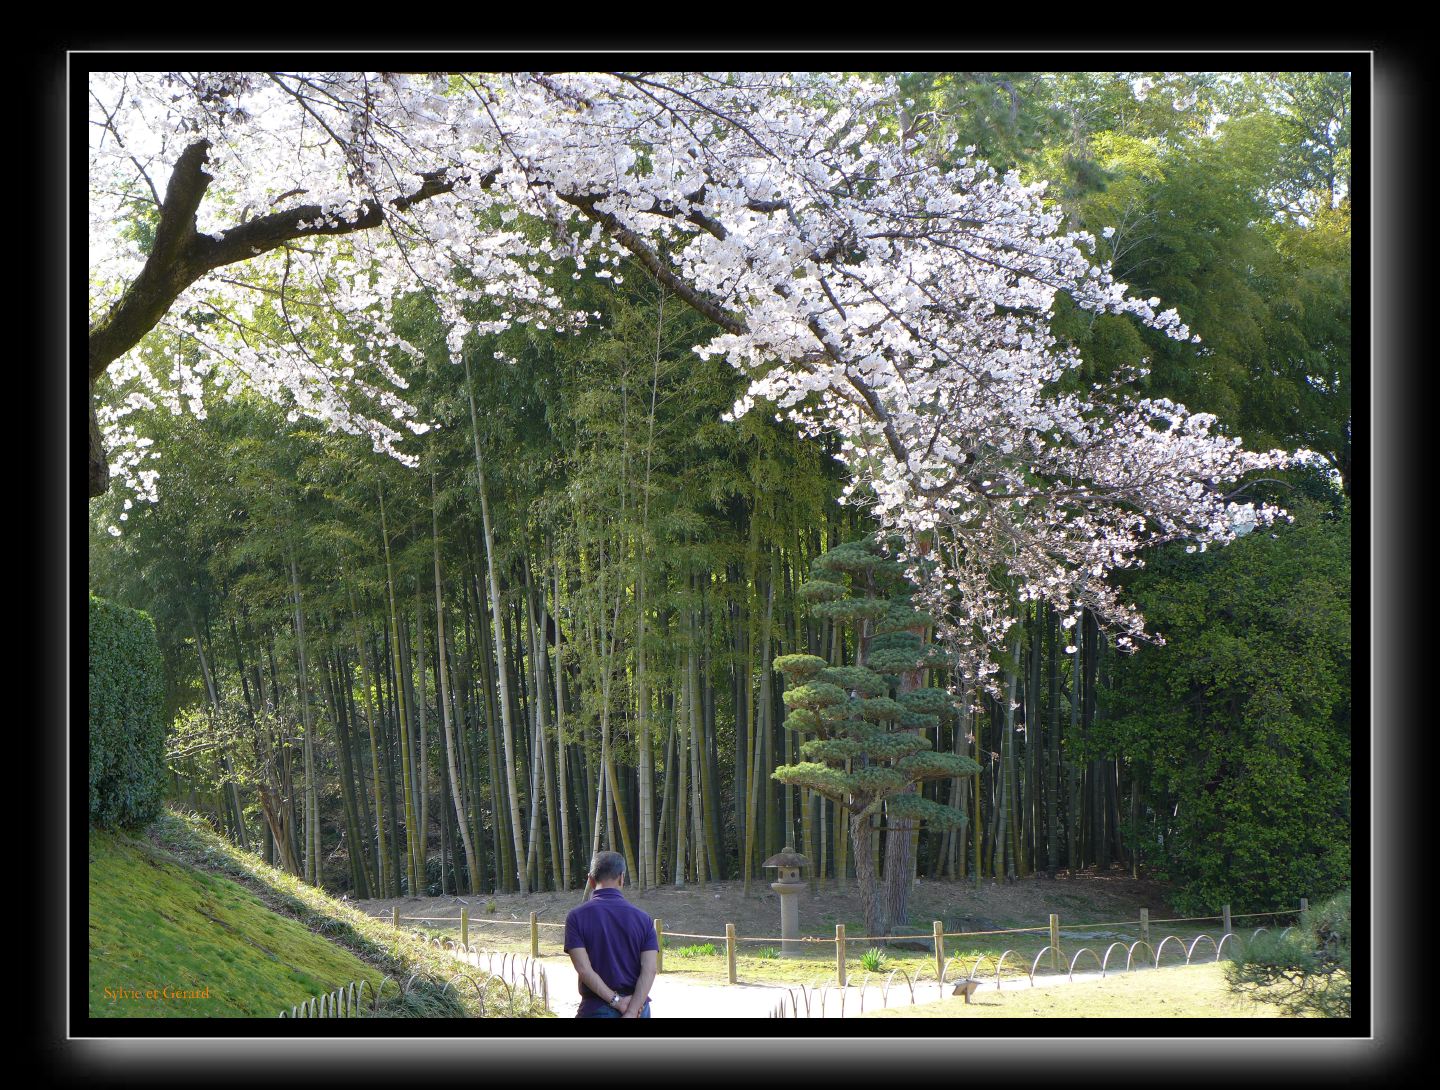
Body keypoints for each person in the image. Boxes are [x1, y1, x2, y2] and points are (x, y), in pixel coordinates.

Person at [563, 850, 657, 1018]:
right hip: (639, 1010)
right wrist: (631, 1010)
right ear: (622, 878)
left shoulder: (576, 917)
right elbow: (649, 970)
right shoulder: (644, 919)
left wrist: (618, 1002)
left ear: (590, 880)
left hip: (597, 1008)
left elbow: (584, 970)